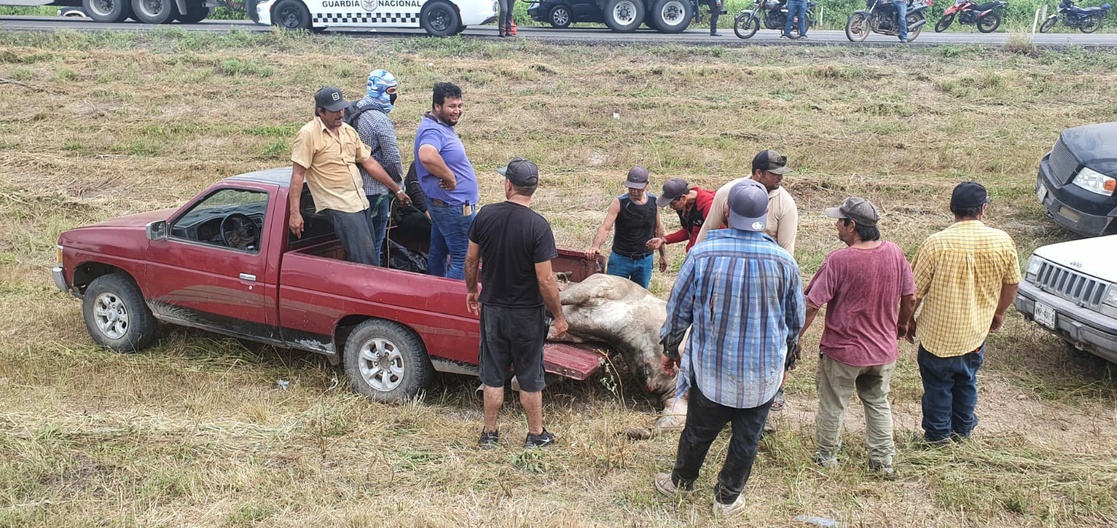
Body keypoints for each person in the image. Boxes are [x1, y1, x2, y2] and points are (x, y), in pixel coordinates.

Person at [655, 179, 804, 518]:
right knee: (747, 438)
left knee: (698, 430)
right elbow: (794, 320)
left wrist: (670, 349)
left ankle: (681, 481)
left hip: (712, 371)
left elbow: (679, 310)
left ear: (726, 211)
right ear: (765, 215)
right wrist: (788, 355)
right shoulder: (784, 263)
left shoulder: (703, 255)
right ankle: (726, 499)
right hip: (762, 376)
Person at [799, 197, 916, 480]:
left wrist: (795, 336)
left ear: (852, 226)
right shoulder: (895, 253)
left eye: (840, 221)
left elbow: (812, 304)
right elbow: (910, 297)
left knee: (833, 404)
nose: (836, 226)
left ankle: (827, 457)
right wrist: (900, 326)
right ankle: (883, 460)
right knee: (878, 402)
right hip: (882, 351)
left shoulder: (839, 260)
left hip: (843, 352)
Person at [465, 158, 569, 450]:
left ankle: (490, 434)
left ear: (508, 184)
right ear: (534, 188)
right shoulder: (538, 227)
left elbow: (472, 259)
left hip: (493, 310)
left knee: (493, 373)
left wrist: (472, 290)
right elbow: (546, 281)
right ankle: (536, 434)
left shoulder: (485, 215)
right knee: (529, 373)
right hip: (527, 314)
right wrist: (559, 316)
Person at [905, 182, 1020, 445]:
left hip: (937, 336)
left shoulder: (936, 244)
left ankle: (937, 435)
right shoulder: (1002, 241)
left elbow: (914, 293)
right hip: (976, 333)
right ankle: (962, 430)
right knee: (967, 381)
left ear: (952, 209)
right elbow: (1012, 283)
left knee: (937, 386)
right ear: (983, 209)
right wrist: (999, 312)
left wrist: (908, 321)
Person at [288, 86, 395, 266]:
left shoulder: (347, 130)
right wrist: (295, 213)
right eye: (334, 110)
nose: (340, 113)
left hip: (359, 200)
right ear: (320, 111)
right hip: (338, 204)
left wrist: (396, 188)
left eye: (342, 108)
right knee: (365, 260)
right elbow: (298, 175)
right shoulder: (308, 134)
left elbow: (368, 162)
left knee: (370, 252)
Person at [415, 82, 478, 280]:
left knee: (438, 251)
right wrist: (449, 177)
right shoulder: (432, 130)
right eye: (452, 106)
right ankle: (453, 303)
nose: (457, 111)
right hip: (453, 207)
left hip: (444, 205)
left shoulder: (439, 125)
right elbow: (426, 155)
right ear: (437, 106)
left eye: (459, 106)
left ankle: (435, 293)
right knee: (462, 257)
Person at [350, 69, 411, 266]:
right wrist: (398, 186)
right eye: (392, 91)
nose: (394, 96)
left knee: (358, 246)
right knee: (374, 245)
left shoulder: (355, 108)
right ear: (382, 91)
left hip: (353, 188)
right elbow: (393, 159)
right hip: (375, 191)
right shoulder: (380, 121)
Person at [695, 149, 799, 255]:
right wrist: (695, 257)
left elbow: (786, 250)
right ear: (759, 173)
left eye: (781, 173)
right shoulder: (727, 192)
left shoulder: (786, 203)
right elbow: (708, 229)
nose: (781, 177)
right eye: (775, 174)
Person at [586, 167, 668, 289]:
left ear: (646, 185)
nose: (634, 191)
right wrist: (595, 246)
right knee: (612, 293)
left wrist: (662, 255)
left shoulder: (654, 202)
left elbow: (658, 230)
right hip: (620, 259)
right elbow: (605, 228)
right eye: (631, 188)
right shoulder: (619, 203)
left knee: (639, 296)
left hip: (644, 260)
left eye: (638, 188)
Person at [646, 178, 714, 254]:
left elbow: (720, 236)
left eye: (672, 203)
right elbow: (689, 231)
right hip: (695, 254)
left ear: (683, 198)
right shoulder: (684, 206)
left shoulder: (709, 207)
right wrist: (664, 239)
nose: (671, 207)